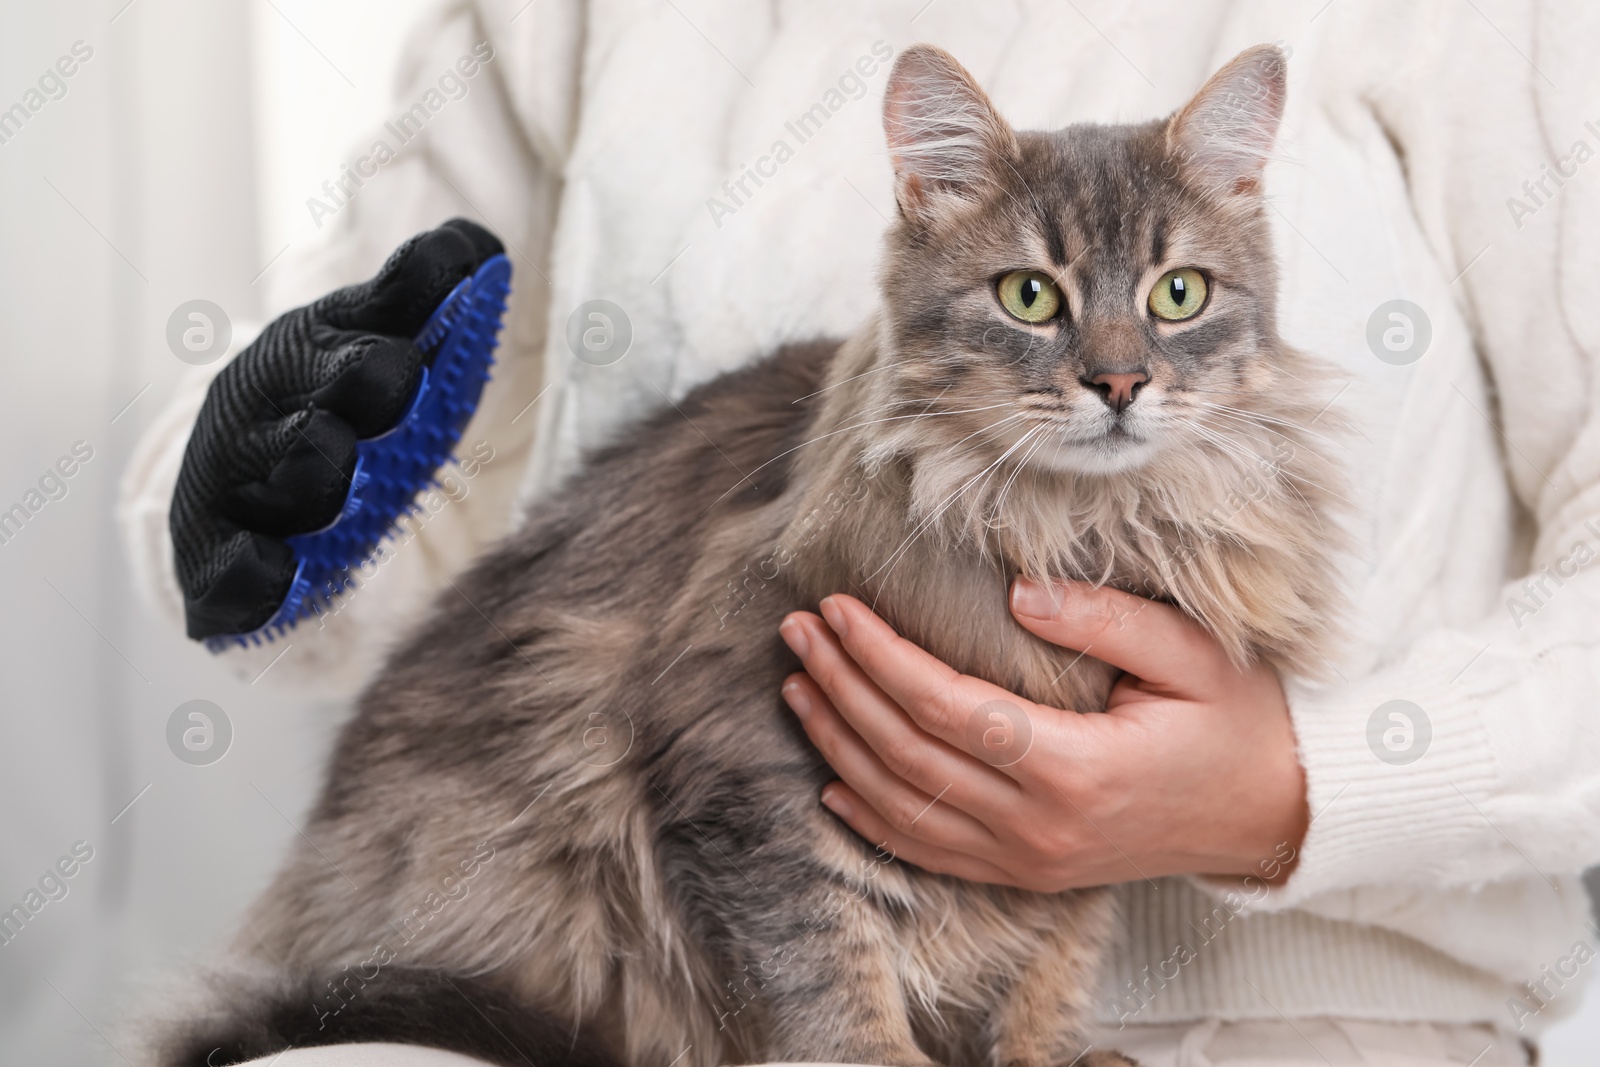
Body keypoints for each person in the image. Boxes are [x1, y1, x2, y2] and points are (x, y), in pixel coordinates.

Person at [119, 1, 1600, 1064]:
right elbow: (396, 548)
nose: (1112, 370)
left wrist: (1299, 788)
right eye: (1036, 301)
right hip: (638, 994)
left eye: (1161, 307)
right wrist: (235, 500)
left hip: (1333, 1031)